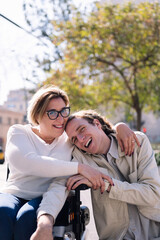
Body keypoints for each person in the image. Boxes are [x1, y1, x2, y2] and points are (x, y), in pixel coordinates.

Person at [0, 85, 138, 240]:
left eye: (64, 111)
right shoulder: (19, 132)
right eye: (52, 113)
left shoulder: (70, 139)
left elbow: (98, 129)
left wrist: (120, 127)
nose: (61, 119)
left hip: (47, 196)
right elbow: (26, 162)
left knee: (26, 218)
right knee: (2, 212)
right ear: (37, 115)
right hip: (15, 193)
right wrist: (80, 168)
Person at [65, 110, 160, 240]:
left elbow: (153, 194)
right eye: (74, 139)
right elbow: (57, 177)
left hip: (155, 232)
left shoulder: (137, 141)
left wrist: (106, 185)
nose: (81, 139)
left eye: (82, 129)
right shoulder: (80, 159)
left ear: (97, 124)